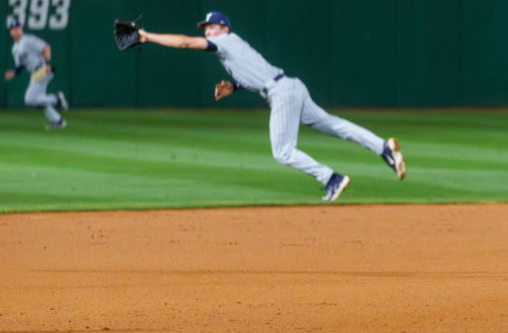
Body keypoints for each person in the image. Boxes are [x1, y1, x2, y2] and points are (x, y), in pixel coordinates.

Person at [138, 11, 406, 201]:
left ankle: (331, 179)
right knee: (334, 125)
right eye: (206, 28)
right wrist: (235, 87)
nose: (208, 31)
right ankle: (382, 147)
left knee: (283, 152)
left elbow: (185, 42)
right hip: (290, 86)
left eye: (213, 27)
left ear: (225, 29)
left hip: (281, 93)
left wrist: (147, 36)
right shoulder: (232, 49)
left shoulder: (225, 41)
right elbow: (254, 72)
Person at [4, 17, 68, 130]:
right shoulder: (15, 48)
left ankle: (56, 99)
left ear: (21, 29)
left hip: (42, 69)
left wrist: (47, 64)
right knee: (39, 99)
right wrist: (13, 73)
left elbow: (46, 47)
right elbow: (20, 66)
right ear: (10, 32)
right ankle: (58, 121)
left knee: (30, 99)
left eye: (18, 28)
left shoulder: (28, 40)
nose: (16, 30)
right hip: (35, 73)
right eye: (13, 29)